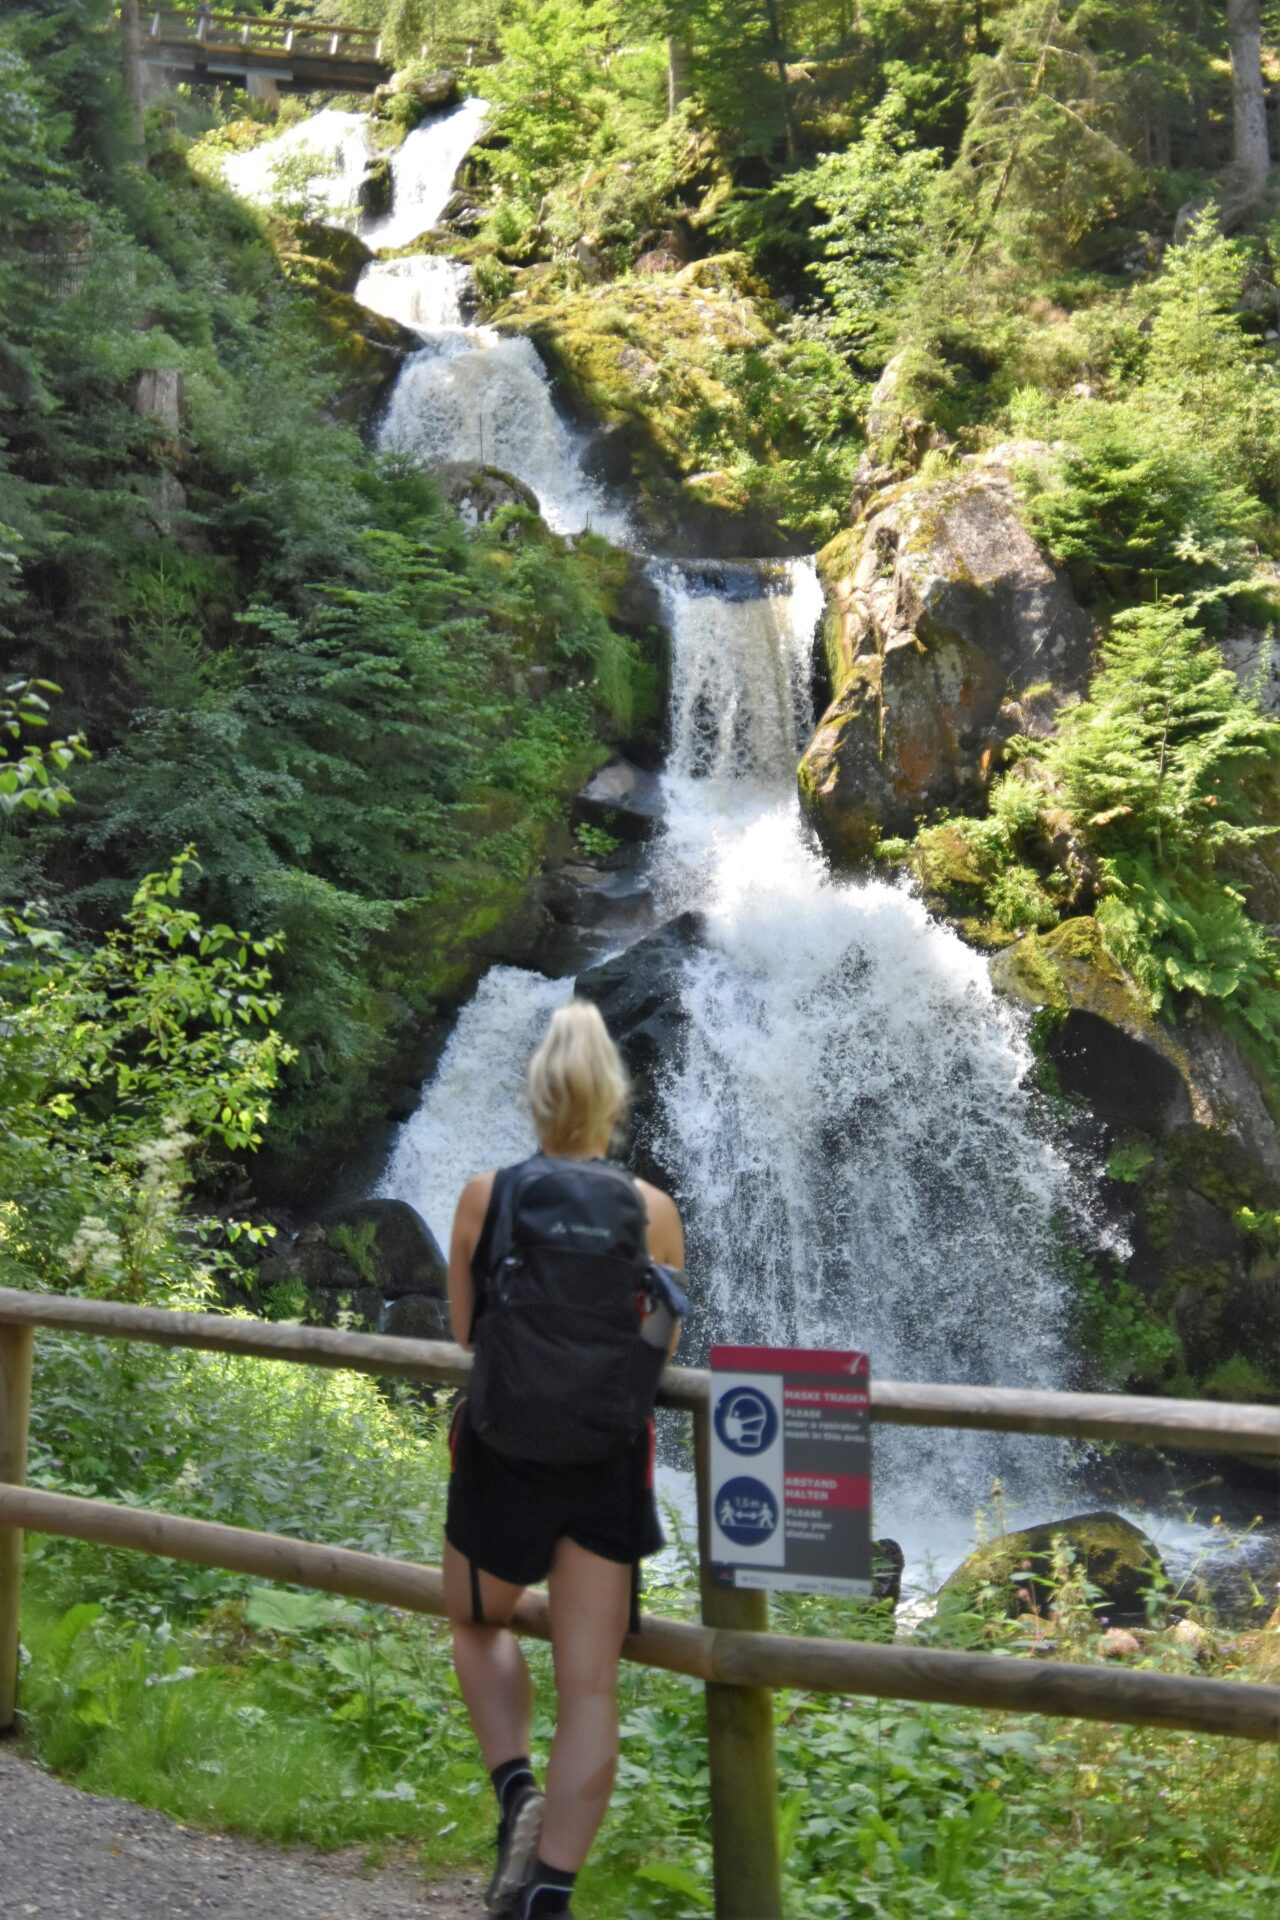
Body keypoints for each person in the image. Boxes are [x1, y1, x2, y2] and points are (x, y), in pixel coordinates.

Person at [444, 1000, 685, 1920]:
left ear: (535, 1094)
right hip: (605, 1461)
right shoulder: (651, 1210)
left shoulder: (486, 1195)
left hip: (503, 1454)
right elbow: (659, 1340)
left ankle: (515, 1790)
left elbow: (469, 1330)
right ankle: (547, 1892)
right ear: (614, 1102)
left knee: (475, 1620)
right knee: (591, 1683)